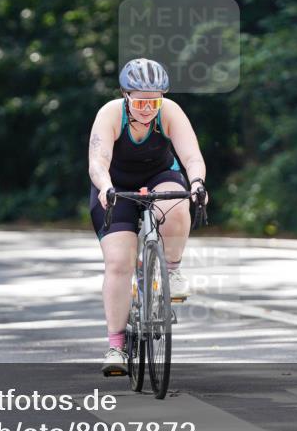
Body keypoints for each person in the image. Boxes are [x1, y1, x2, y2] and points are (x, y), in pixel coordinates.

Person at [87, 58, 208, 376]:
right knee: (119, 263)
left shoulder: (169, 112)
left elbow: (192, 156)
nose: (147, 109)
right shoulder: (110, 114)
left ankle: (173, 269)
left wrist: (197, 183)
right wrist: (105, 186)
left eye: (153, 102)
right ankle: (116, 346)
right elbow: (98, 161)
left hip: (160, 176)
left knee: (178, 204)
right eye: (140, 102)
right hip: (114, 186)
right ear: (125, 95)